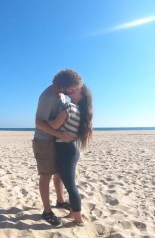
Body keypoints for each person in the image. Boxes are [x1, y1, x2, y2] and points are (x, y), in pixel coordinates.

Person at [32, 69, 83, 226]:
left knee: (58, 174)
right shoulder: (47, 97)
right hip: (43, 141)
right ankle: (47, 211)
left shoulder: (61, 94)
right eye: (72, 89)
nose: (73, 91)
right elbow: (39, 122)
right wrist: (60, 135)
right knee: (45, 176)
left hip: (54, 140)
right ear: (64, 86)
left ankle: (60, 201)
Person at [47, 84, 93, 226]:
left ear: (83, 94)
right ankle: (73, 212)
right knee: (69, 182)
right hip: (70, 150)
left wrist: (44, 120)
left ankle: (78, 218)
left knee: (70, 186)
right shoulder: (80, 111)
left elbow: (54, 126)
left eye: (77, 88)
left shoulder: (69, 107)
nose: (72, 89)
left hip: (66, 151)